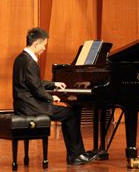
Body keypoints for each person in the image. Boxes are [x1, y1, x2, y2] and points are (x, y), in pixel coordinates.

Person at [13, 27, 95, 165]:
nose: (44, 49)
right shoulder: (30, 62)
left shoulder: (20, 58)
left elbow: (33, 82)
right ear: (36, 44)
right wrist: (51, 98)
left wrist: (53, 84)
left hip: (23, 105)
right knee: (70, 114)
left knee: (68, 113)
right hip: (31, 107)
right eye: (43, 45)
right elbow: (37, 89)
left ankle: (75, 154)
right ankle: (75, 155)